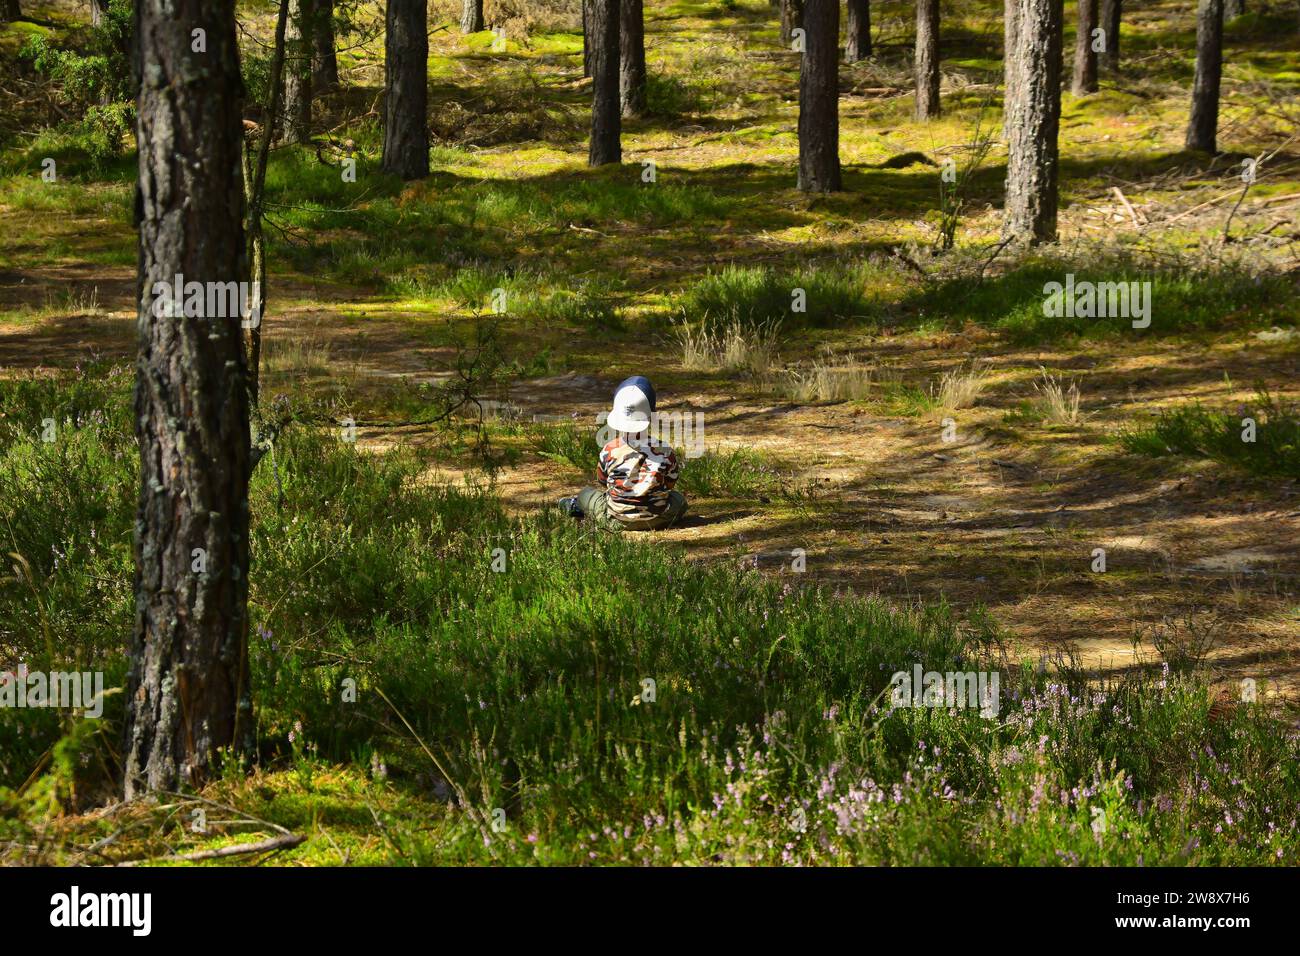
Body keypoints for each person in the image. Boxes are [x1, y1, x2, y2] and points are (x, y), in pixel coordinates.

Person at [559, 376, 688, 531]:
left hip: (615, 520)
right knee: (679, 500)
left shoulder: (609, 449)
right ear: (651, 415)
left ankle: (575, 506)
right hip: (657, 519)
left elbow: (603, 481)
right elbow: (670, 483)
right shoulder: (665, 450)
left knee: (586, 494)